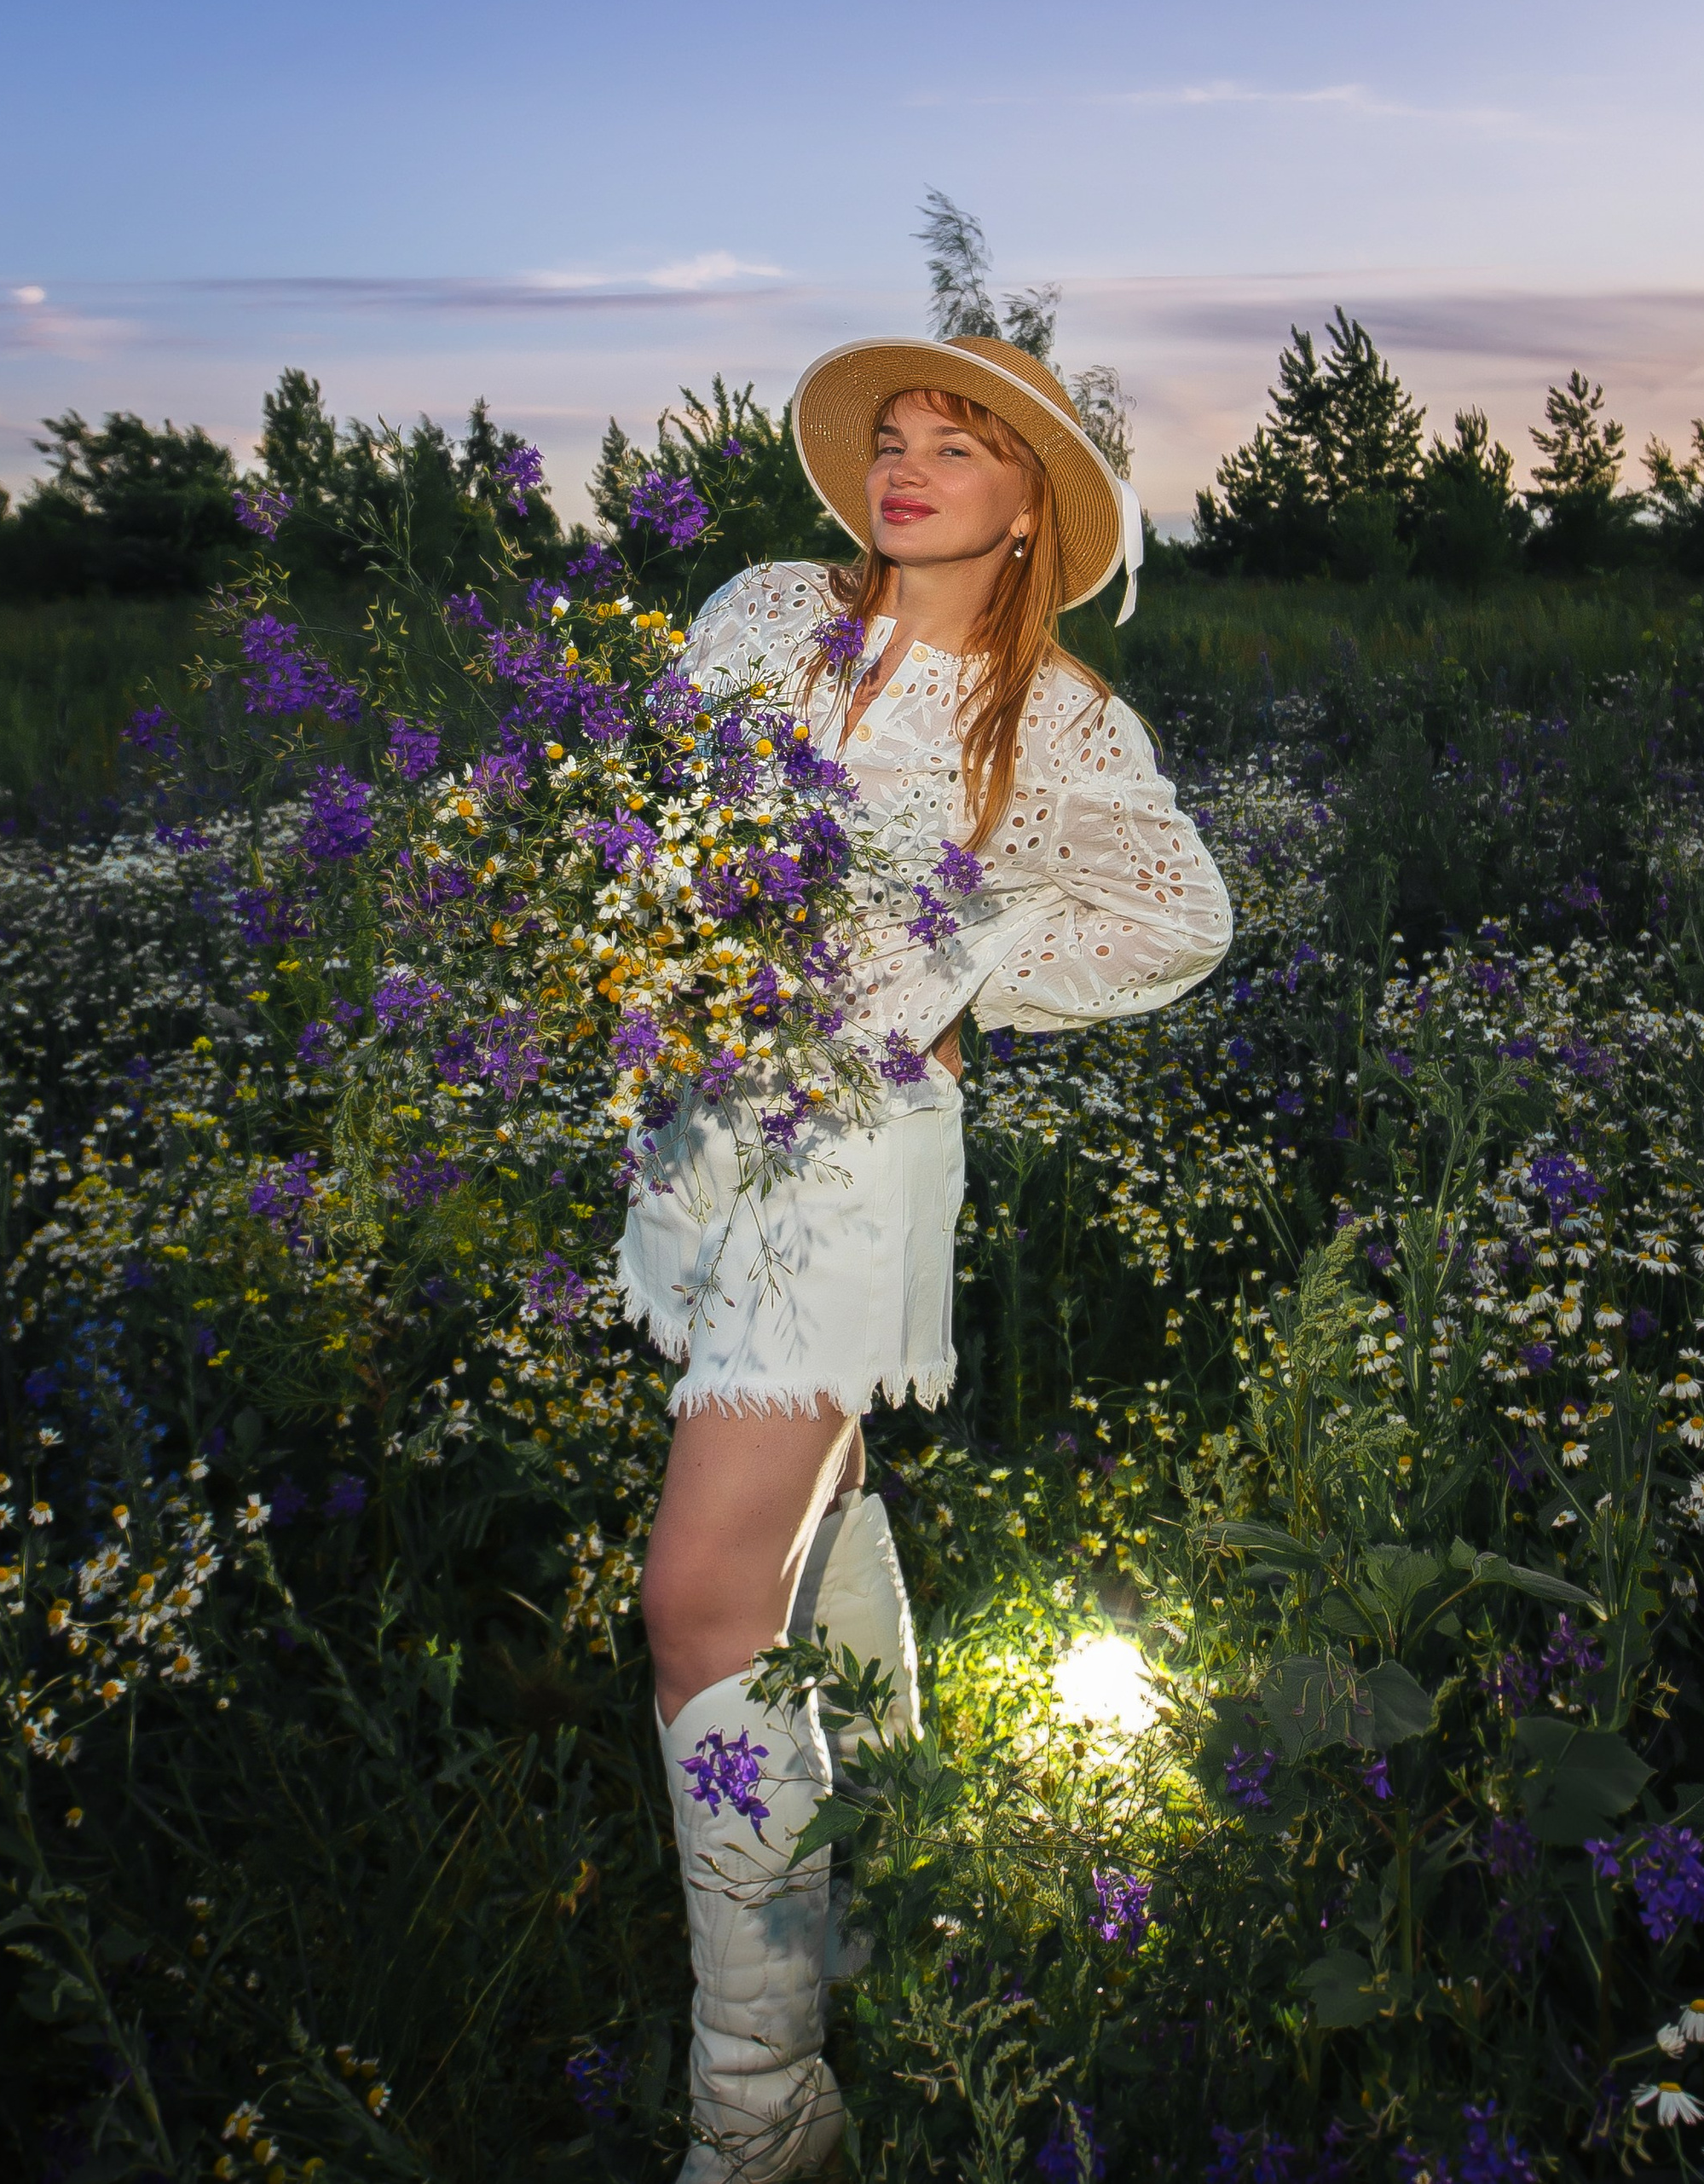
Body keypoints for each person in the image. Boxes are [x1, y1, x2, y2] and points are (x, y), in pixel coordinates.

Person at [616, 333, 1234, 2180]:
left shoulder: (1046, 713)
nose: (904, 469)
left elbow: (1174, 922)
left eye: (953, 449)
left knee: (697, 1599)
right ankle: (879, 1895)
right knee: (805, 1542)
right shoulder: (754, 617)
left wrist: (951, 995)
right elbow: (655, 816)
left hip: (855, 1168)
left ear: (1027, 495)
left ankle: (760, 2098)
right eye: (889, 440)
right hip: (704, 1126)